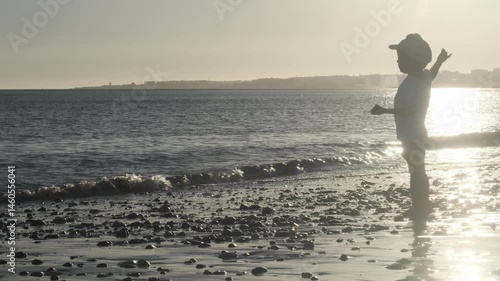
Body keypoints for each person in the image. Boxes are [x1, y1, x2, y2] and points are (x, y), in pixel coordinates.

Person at [371, 33, 451, 220]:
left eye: (401, 58)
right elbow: (433, 73)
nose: (398, 62)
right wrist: (439, 61)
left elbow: (411, 110)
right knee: (416, 170)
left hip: (413, 136)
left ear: (414, 60)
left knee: (417, 172)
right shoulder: (422, 77)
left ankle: (420, 208)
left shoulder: (416, 82)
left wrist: (384, 111)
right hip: (412, 135)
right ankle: (421, 206)